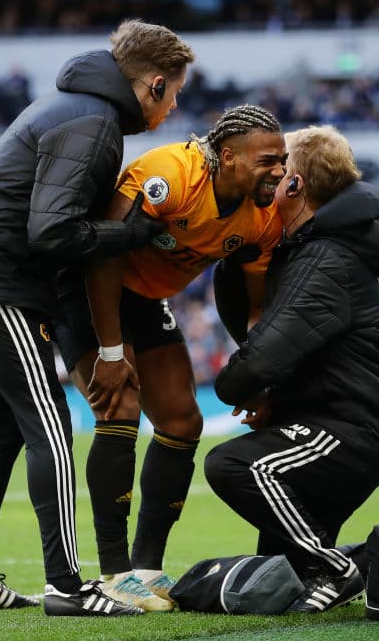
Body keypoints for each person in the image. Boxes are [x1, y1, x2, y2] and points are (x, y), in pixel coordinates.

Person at [0, 19, 195, 617]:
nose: (174, 108)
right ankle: (68, 589)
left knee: (0, 431)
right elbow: (52, 231)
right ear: (151, 85)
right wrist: (128, 235)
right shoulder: (93, 124)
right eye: (174, 93)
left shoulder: (75, 106)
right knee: (51, 427)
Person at [54, 104, 287, 611]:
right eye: (267, 160)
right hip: (89, 285)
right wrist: (112, 352)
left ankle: (146, 568)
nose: (279, 170)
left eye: (283, 159)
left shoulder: (263, 218)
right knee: (119, 406)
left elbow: (253, 308)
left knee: (182, 420)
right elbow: (103, 252)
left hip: (145, 298)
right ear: (228, 157)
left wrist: (258, 376)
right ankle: (114, 574)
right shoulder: (171, 175)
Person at [204, 125, 379, 613]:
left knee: (232, 464)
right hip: (326, 422)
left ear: (296, 186)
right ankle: (352, 564)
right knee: (279, 584)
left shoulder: (325, 259)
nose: (269, 177)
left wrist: (236, 386)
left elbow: (266, 353)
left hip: (345, 429)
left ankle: (337, 566)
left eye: (279, 168)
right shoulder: (309, 250)